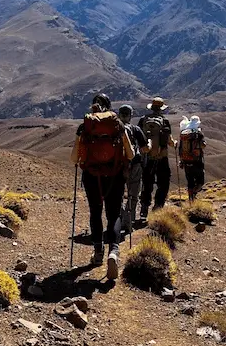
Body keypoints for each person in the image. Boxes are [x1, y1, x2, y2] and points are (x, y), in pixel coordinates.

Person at [71, 93, 134, 279]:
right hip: (114, 176)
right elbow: (130, 154)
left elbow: (74, 158)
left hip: (92, 177)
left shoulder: (85, 127)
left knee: (95, 212)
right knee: (113, 214)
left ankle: (98, 253)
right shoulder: (117, 125)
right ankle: (113, 252)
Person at [138, 96, 174, 221]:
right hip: (162, 158)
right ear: (161, 109)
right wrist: (174, 143)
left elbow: (138, 138)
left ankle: (144, 208)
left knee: (147, 183)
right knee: (163, 183)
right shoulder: (165, 122)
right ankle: (158, 207)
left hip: (147, 157)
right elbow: (169, 141)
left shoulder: (143, 120)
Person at [118, 104, 147, 230]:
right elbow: (145, 148)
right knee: (133, 194)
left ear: (119, 115)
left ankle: (119, 218)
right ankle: (128, 221)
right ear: (130, 116)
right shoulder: (135, 129)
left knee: (117, 194)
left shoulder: (114, 129)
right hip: (134, 165)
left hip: (117, 166)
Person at [178, 115, 207, 202]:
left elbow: (180, 148)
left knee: (190, 180)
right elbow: (203, 145)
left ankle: (191, 198)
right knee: (200, 181)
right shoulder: (198, 133)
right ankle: (194, 193)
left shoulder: (183, 133)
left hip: (186, 160)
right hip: (197, 160)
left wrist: (182, 160)